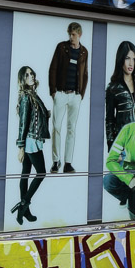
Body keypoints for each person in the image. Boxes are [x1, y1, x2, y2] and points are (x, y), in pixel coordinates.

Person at [48, 21, 88, 173]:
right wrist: (53, 91)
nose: (71, 37)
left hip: (75, 96)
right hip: (61, 93)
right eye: (69, 34)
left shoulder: (84, 52)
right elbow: (53, 68)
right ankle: (55, 160)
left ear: (79, 35)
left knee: (71, 129)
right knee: (57, 127)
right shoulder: (61, 47)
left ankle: (68, 163)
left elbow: (85, 73)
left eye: (74, 35)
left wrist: (81, 94)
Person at [13, 66, 50, 225]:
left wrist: (44, 114)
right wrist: (21, 147)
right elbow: (23, 123)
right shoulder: (26, 97)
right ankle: (23, 205)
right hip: (30, 140)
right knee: (41, 172)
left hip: (31, 139)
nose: (31, 76)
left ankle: (25, 211)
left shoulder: (32, 94)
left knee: (25, 173)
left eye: (31, 73)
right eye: (27, 75)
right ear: (22, 79)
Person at [105, 40, 135, 149]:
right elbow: (109, 120)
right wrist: (112, 148)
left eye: (133, 59)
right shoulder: (113, 88)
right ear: (121, 60)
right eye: (127, 58)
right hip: (123, 146)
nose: (131, 63)